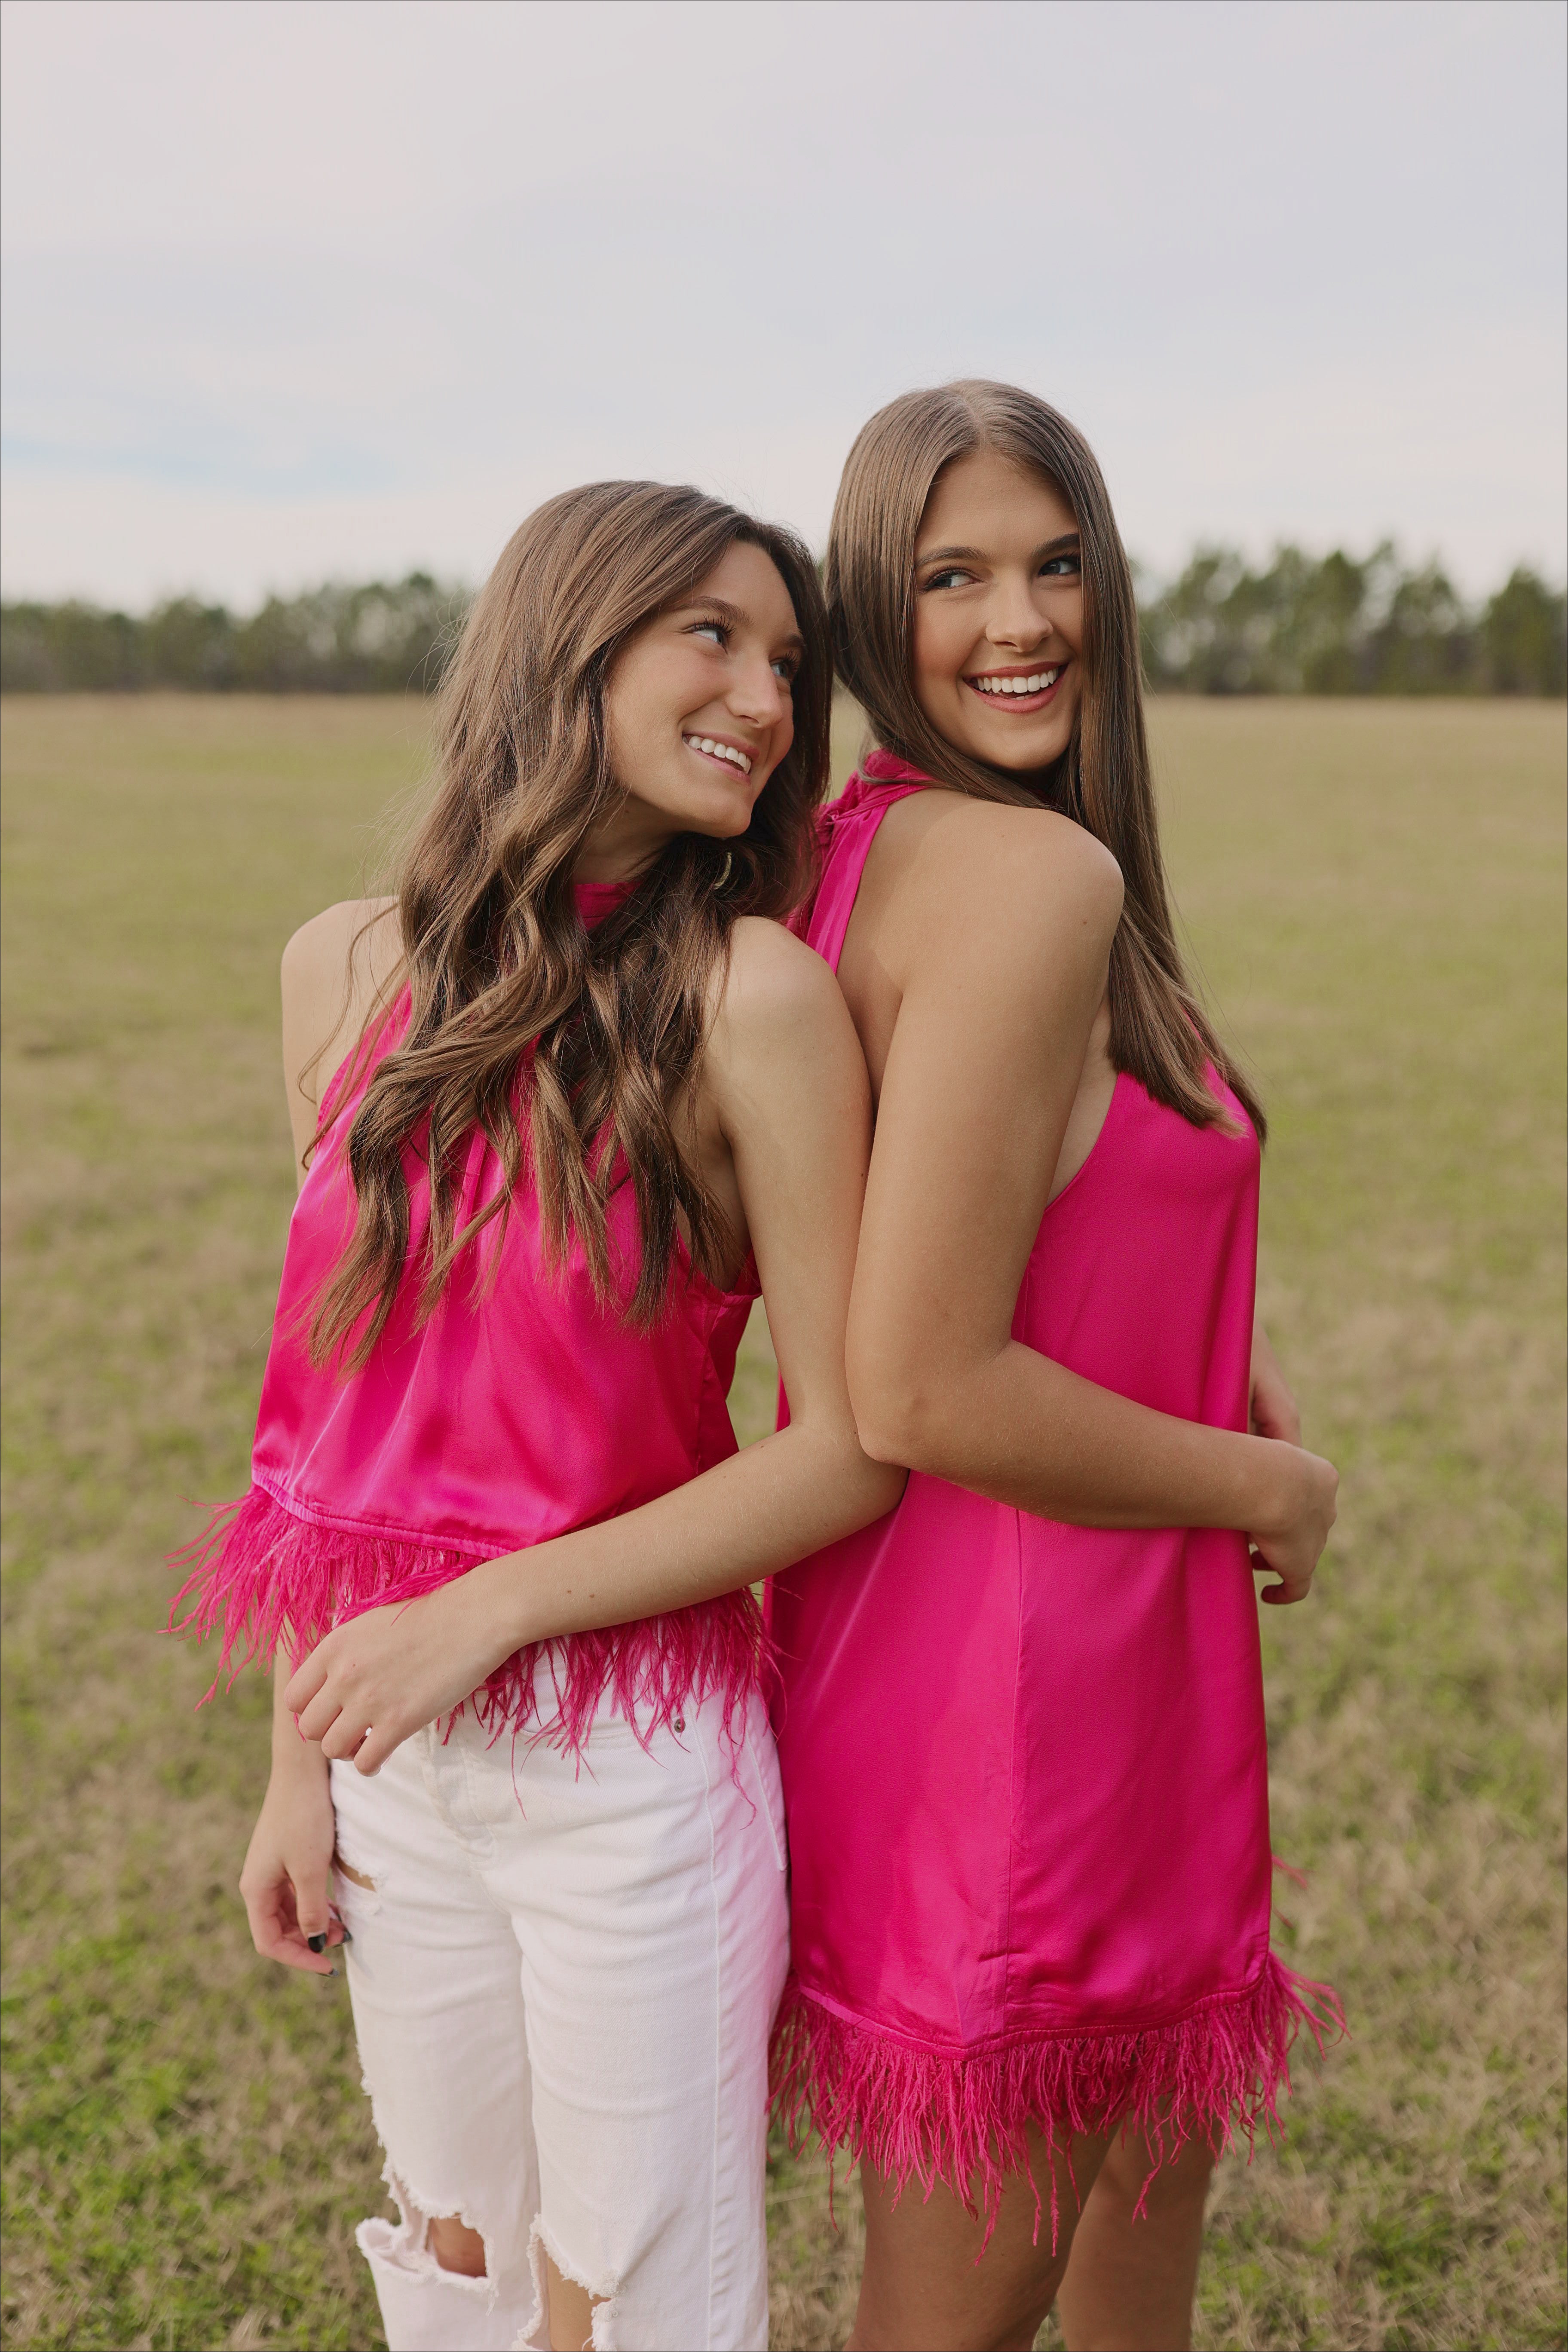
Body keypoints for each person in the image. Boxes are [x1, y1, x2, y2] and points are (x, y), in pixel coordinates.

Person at [172, 480, 903, 2352]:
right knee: (458, 2278)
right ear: (568, 642)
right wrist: (295, 1767)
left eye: (788, 664)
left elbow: (849, 1443)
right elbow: (330, 1436)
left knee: (641, 2303)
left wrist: (488, 1613)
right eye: (713, 637)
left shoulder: (758, 1000)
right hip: (390, 1771)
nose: (761, 695)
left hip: (633, 1785)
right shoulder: (340, 969)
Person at [767, 382, 1343, 2352]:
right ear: (867, 606)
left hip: (1056, 1665)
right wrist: (1267, 1483)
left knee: (1134, 2203)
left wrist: (1206, 1356)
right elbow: (921, 1377)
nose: (1021, 621)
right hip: (1018, 1704)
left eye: (1056, 561)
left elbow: (1017, 1199)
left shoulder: (881, 851)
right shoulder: (1026, 880)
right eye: (951, 577)